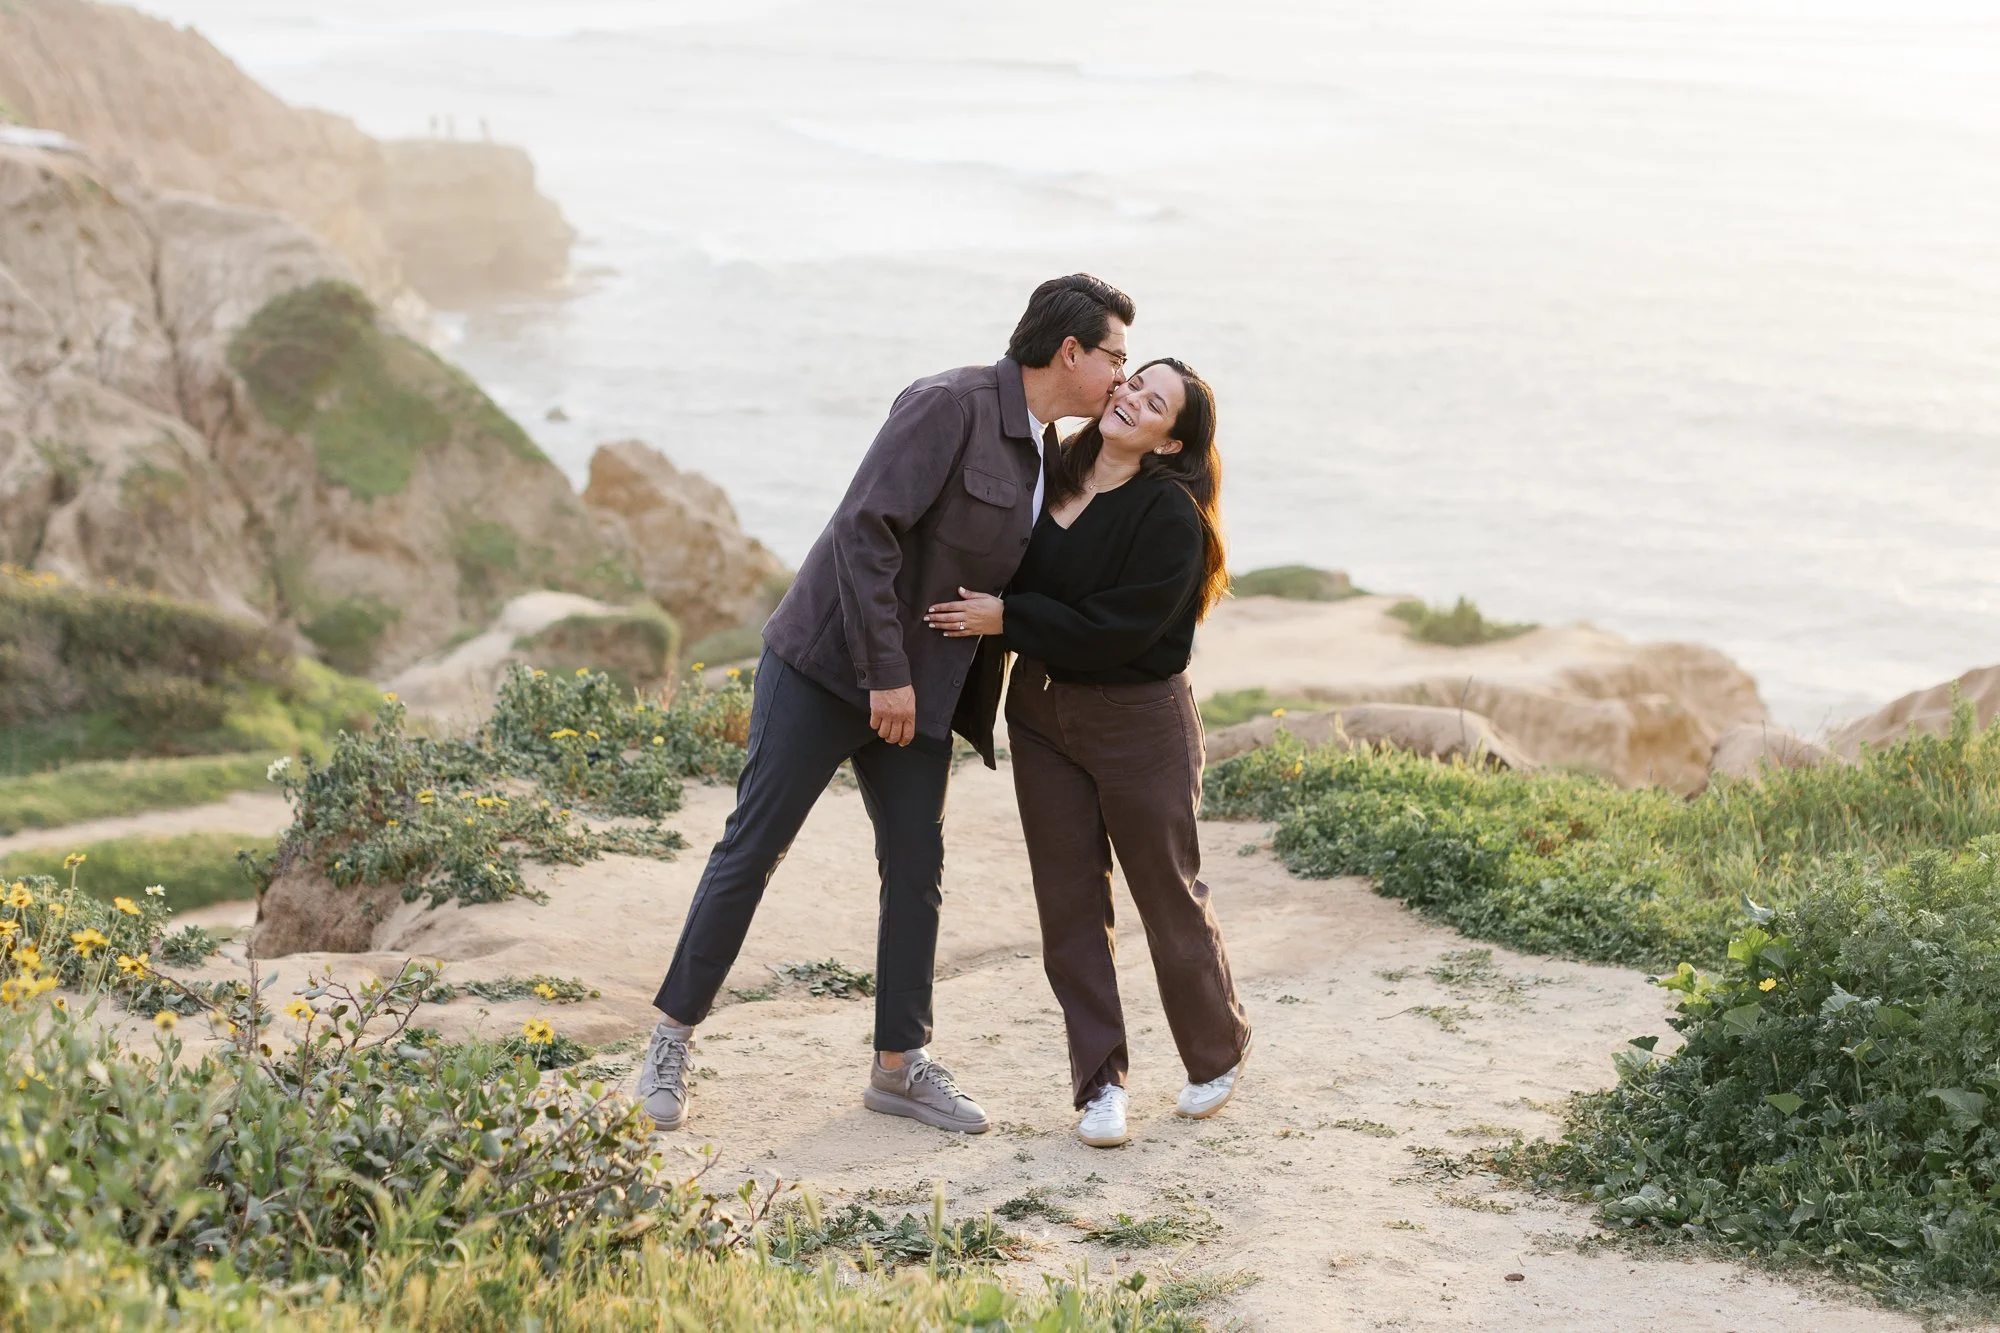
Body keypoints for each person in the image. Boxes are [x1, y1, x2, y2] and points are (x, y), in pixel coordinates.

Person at [636, 274, 1137, 1134]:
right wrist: (884, 675)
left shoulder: (1046, 447)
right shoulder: (947, 405)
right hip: (830, 667)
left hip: (920, 692)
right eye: (1117, 359)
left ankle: (900, 1065)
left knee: (916, 863)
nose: (1122, 379)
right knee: (753, 846)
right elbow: (864, 529)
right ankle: (669, 1040)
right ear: (1070, 352)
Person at [924, 357, 1249, 1149]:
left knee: (1164, 892)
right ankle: (1100, 1083)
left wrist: (1011, 619)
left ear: (1173, 443)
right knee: (1068, 904)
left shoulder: (1170, 515)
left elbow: (1120, 630)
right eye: (1134, 379)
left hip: (1137, 718)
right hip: (1038, 711)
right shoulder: (1054, 467)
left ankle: (1216, 1050)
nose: (1132, 396)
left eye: (1156, 401)